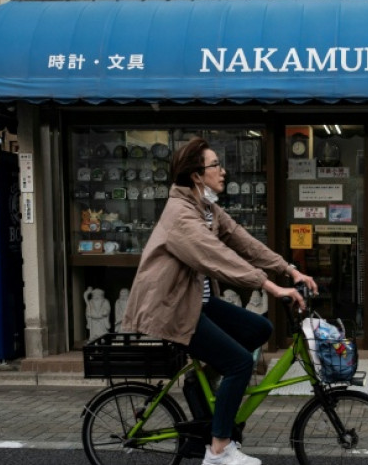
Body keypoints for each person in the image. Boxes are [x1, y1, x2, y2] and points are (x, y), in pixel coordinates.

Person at [121, 137, 317, 465]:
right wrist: (272, 287)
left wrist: (289, 270)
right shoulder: (181, 215)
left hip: (200, 302)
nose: (223, 172)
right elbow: (218, 257)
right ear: (197, 176)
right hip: (175, 309)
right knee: (239, 362)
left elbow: (243, 241)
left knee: (259, 329)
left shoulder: (207, 208)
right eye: (216, 165)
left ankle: (199, 390)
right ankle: (218, 450)